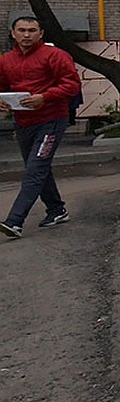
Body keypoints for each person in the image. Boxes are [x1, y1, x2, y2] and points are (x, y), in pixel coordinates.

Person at [0, 16, 82, 239]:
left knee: (35, 169)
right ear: (13, 33)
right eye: (22, 30)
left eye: (32, 30)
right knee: (38, 167)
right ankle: (57, 210)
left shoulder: (54, 55)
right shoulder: (6, 60)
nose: (27, 35)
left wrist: (44, 97)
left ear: (41, 33)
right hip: (23, 123)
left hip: (51, 120)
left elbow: (72, 84)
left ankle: (15, 221)